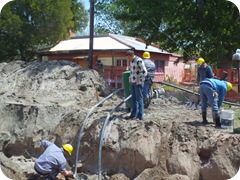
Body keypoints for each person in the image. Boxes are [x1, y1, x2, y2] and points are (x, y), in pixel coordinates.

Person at [125, 50, 147, 120]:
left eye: (129, 58)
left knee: (139, 99)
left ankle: (140, 116)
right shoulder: (132, 62)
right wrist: (130, 79)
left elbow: (144, 72)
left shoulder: (139, 60)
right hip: (133, 82)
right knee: (134, 99)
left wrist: (140, 81)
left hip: (138, 83)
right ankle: (133, 114)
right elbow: (132, 72)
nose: (128, 59)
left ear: (132, 56)